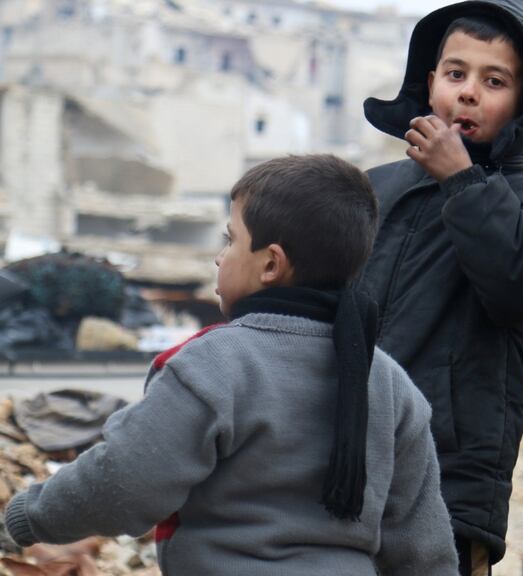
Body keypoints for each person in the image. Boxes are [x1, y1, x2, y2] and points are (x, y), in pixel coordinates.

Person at [2, 155, 458, 576]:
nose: (220, 256)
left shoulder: (212, 365)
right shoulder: (392, 385)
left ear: (270, 265)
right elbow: (424, 548)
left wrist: (25, 518)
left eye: (231, 239)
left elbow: (125, 481)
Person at [359, 1, 523, 574]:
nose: (469, 92)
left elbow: (522, 294)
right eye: (456, 74)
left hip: (447, 482)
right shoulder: (372, 193)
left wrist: (463, 180)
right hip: (343, 466)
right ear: (430, 83)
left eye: (494, 80)